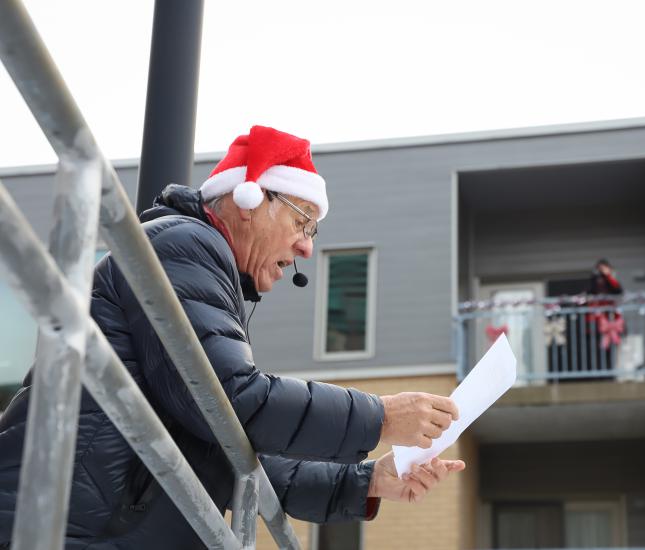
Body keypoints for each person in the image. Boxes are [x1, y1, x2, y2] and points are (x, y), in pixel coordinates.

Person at [0, 125, 464, 549]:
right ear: (251, 199)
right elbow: (231, 398)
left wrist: (367, 481)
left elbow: (234, 448)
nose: (306, 246)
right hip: (64, 527)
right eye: (303, 221)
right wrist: (378, 417)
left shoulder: (198, 264)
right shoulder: (184, 243)